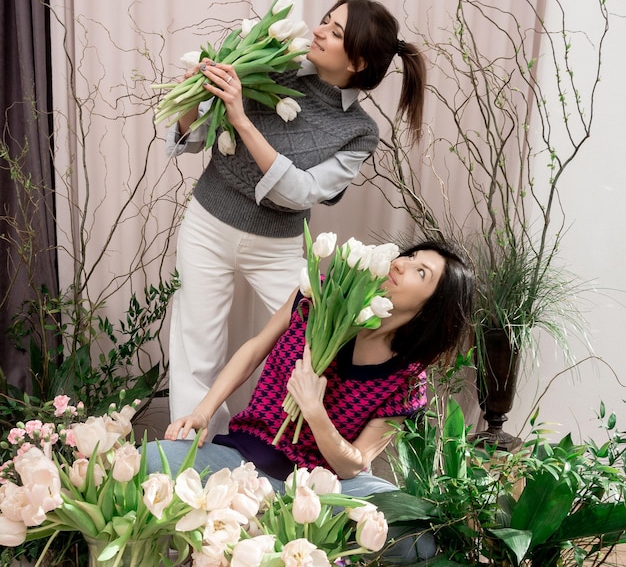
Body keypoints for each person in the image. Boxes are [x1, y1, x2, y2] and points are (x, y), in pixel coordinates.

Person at [165, 0, 428, 436]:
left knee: (318, 341)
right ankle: (194, 457)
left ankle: (302, 445)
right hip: (208, 223)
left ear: (358, 61)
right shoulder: (270, 65)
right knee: (197, 346)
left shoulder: (360, 131)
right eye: (326, 20)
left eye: (336, 31)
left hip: (279, 245)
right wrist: (195, 93)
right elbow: (191, 138)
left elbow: (304, 192)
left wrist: (243, 120)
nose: (319, 30)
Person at [145, 239, 474, 562]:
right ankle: (277, 529)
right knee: (146, 463)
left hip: (326, 487)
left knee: (416, 540)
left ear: (433, 308)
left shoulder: (406, 381)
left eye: (421, 272)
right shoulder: (318, 295)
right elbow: (255, 348)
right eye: (410, 255)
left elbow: (353, 462)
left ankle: (275, 529)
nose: (401, 263)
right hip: (248, 460)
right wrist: (203, 411)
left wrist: (315, 412)